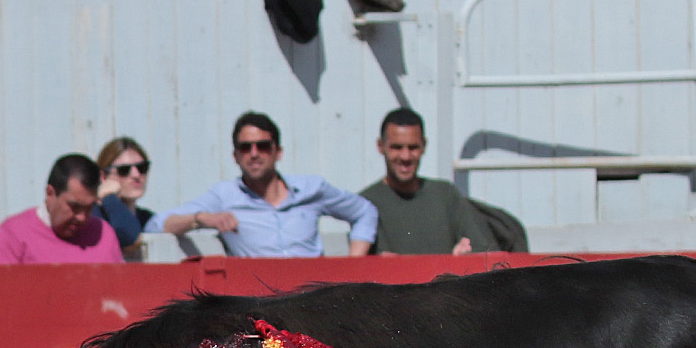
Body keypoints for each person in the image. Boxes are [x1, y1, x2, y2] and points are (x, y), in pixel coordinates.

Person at [147, 112, 378, 258]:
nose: (254, 154)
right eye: (246, 148)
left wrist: (352, 264)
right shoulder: (225, 196)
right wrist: (201, 219)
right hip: (263, 304)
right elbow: (156, 225)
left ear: (278, 152)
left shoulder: (312, 188)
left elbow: (364, 211)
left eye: (263, 146)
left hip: (314, 298)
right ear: (235, 156)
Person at [355, 108, 491, 256]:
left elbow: (481, 249)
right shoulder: (365, 203)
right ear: (381, 146)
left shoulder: (446, 194)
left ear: (424, 146)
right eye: (397, 147)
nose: (405, 156)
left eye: (413, 147)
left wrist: (467, 254)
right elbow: (359, 263)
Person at [0, 154, 123, 264]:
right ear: (50, 193)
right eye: (74, 207)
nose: (81, 217)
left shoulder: (103, 234)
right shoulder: (14, 234)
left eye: (89, 208)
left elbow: (119, 292)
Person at [95, 137, 154, 257]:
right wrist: (109, 196)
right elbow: (129, 236)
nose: (136, 175)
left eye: (142, 168)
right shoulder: (95, 216)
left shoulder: (147, 218)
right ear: (103, 176)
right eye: (124, 170)